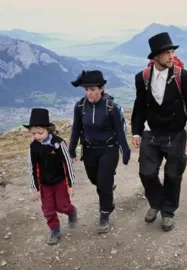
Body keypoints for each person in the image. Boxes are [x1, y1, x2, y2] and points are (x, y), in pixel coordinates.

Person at [131, 32, 187, 231]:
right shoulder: (142, 78)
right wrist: (136, 131)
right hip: (151, 133)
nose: (171, 56)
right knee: (146, 173)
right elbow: (139, 106)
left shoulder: (184, 77)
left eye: (172, 52)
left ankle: (168, 211)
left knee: (173, 175)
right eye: (166, 53)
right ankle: (157, 202)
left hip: (176, 134)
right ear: (155, 57)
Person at [68, 70, 131, 234]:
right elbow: (76, 128)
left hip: (108, 150)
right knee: (94, 179)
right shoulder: (80, 106)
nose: (89, 93)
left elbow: (119, 130)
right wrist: (72, 147)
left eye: (93, 90)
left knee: (103, 183)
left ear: (101, 89)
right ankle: (108, 187)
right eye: (87, 90)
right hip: (89, 150)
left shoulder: (111, 107)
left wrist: (125, 149)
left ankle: (105, 213)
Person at [25, 108, 77, 245]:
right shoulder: (33, 147)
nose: (37, 136)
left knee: (62, 206)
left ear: (48, 129)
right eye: (34, 133)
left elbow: (68, 164)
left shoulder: (59, 143)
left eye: (40, 133)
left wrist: (71, 185)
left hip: (60, 182)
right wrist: (35, 188)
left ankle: (71, 212)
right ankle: (54, 229)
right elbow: (32, 167)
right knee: (48, 209)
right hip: (45, 184)